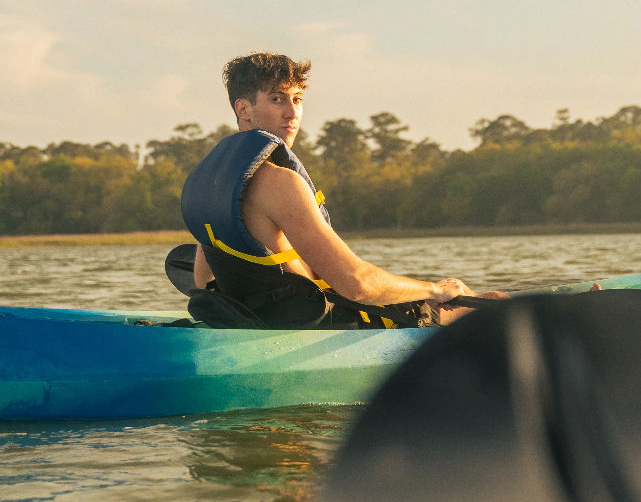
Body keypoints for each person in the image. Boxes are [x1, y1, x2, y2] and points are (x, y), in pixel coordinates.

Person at [179, 52, 507, 328]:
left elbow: (202, 282)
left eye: (297, 99)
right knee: (496, 304)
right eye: (277, 99)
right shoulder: (281, 183)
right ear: (244, 110)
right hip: (324, 327)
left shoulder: (216, 183)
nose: (292, 113)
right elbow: (357, 284)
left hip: (253, 321)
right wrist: (434, 289)